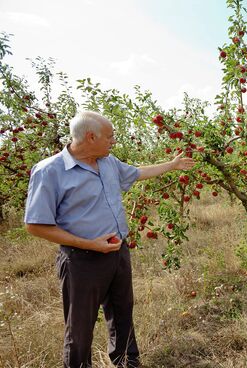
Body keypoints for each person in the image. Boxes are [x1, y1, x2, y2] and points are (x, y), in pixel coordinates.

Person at [23, 111, 195, 367]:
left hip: (117, 252)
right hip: (82, 260)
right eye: (110, 136)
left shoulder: (108, 162)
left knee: (123, 314)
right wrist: (90, 244)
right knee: (80, 329)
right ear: (90, 137)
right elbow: (35, 225)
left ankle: (127, 362)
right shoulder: (50, 172)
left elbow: (136, 173)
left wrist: (172, 165)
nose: (113, 141)